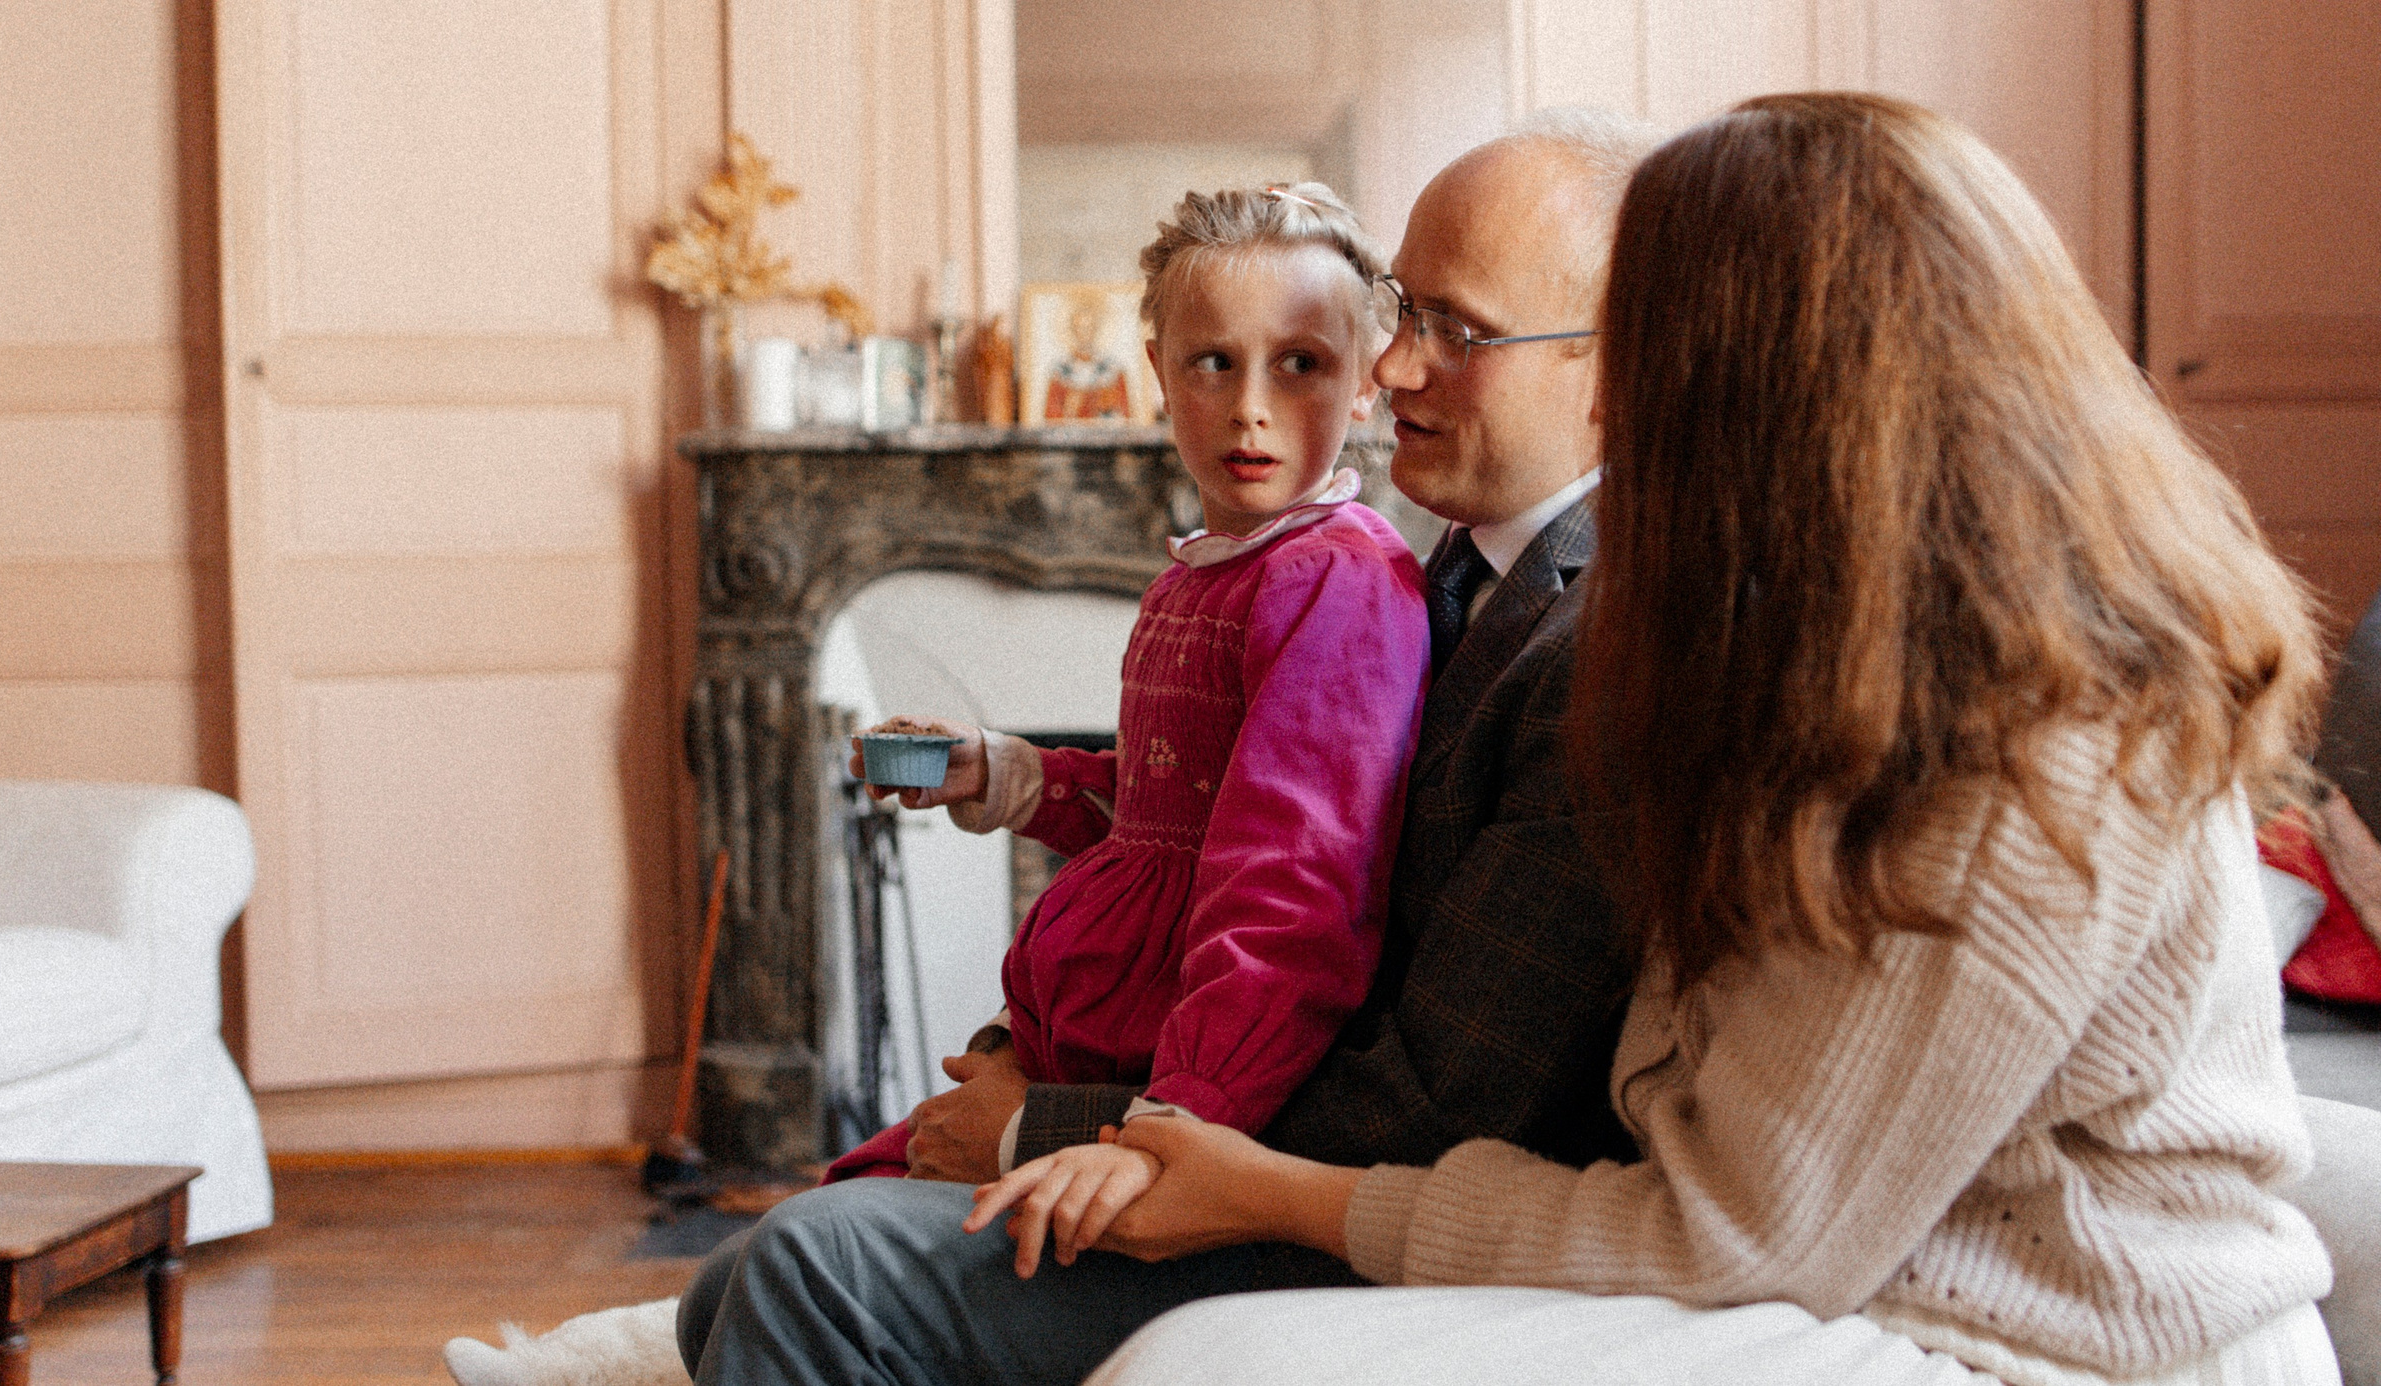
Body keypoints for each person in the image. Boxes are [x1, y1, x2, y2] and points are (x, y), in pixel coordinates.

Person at [978, 92, 2343, 1386]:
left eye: (1647, 349)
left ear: (1780, 385)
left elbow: (1730, 1236)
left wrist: (1270, 1191)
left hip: (2030, 1344)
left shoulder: (2023, 757)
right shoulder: (1807, 662)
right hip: (1844, 1280)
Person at [678, 109, 1658, 1383]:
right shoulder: (1446, 565)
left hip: (1328, 1202)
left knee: (818, 1268)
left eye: (1450, 333)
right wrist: (1020, 779)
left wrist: (1048, 1126)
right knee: (730, 1288)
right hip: (1180, 1093)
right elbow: (1192, 809)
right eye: (1404, 315)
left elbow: (1422, 1083)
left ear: (1615, 368)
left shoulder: (1595, 649)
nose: (1398, 370)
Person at [817, 181, 1431, 1204]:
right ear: (1156, 373)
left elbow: (1291, 894)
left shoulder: (1334, 581)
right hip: (1083, 1038)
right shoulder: (1204, 571)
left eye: (1301, 365)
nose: (1250, 407)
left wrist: (1170, 1133)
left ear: (1366, 382)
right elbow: (1165, 805)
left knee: (830, 1237)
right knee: (828, 1203)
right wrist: (1010, 774)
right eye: (1211, 363)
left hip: (1166, 1081)